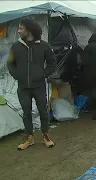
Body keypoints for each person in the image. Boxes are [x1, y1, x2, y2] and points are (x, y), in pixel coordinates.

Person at [7, 17, 57, 150]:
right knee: (26, 112)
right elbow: (10, 63)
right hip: (23, 87)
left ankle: (45, 135)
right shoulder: (16, 46)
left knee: (43, 111)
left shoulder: (44, 46)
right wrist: (17, 75)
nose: (18, 31)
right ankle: (29, 137)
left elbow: (52, 63)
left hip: (39, 86)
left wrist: (44, 74)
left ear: (29, 30)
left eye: (21, 28)